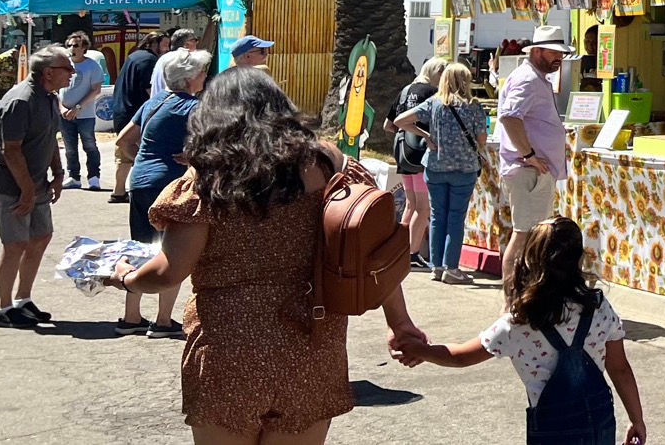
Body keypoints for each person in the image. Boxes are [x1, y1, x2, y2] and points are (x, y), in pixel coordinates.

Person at [108, 68, 427, 442]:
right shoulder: (329, 166)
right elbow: (367, 250)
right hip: (312, 343)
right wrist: (398, 321)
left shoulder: (211, 178)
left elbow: (168, 272)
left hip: (227, 345)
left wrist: (126, 278)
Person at [394, 217, 646, 445]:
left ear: (530, 260)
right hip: (599, 423)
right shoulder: (598, 307)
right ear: (578, 260)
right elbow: (620, 368)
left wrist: (418, 349)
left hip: (552, 431)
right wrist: (637, 420)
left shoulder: (519, 322)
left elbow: (460, 356)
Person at [113, 48, 209, 338]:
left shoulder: (154, 102)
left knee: (140, 248)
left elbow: (121, 139)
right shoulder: (194, 107)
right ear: (191, 78)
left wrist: (141, 156)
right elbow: (210, 146)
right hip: (168, 184)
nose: (205, 77)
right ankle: (163, 321)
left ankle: (131, 317)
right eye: (203, 72)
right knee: (173, 251)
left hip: (140, 180)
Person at [0, 46, 71, 327]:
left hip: (38, 182)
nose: (72, 74)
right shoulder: (21, 100)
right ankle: (2, 307)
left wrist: (58, 172)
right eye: (68, 69)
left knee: (41, 236)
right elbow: (11, 150)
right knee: (15, 244)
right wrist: (27, 189)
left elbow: (50, 137)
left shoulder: (50, 97)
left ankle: (23, 299)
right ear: (49, 72)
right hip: (11, 184)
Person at [395, 61, 485, 283]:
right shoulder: (473, 106)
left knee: (437, 216)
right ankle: (452, 268)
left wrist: (425, 135)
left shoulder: (433, 103)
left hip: (435, 166)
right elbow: (481, 140)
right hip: (463, 169)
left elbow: (400, 121)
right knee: (455, 218)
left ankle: (436, 266)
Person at [499, 26, 574, 284]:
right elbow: (509, 116)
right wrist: (529, 154)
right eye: (555, 52)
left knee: (530, 235)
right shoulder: (529, 79)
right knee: (524, 235)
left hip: (532, 170)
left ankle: (523, 293)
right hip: (529, 170)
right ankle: (511, 298)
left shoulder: (532, 77)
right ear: (538, 50)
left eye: (561, 54)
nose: (559, 58)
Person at [391, 58, 443, 270]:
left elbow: (389, 124)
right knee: (423, 208)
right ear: (436, 72)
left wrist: (406, 134)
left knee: (411, 204)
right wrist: (425, 135)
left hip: (403, 154)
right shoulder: (431, 93)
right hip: (421, 155)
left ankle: (400, 251)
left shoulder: (404, 91)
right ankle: (411, 254)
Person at [109, 31, 164, 203]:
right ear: (153, 44)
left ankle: (118, 191)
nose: (166, 49)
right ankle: (140, 189)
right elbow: (150, 91)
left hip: (122, 110)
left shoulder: (134, 56)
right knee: (140, 152)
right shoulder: (149, 61)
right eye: (164, 44)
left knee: (122, 155)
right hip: (136, 113)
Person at [58, 30, 106, 191]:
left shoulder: (92, 65)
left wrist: (78, 107)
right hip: (65, 114)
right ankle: (73, 176)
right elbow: (55, 90)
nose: (72, 48)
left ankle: (93, 177)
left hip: (85, 114)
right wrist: (63, 108)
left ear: (84, 47)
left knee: (89, 145)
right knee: (70, 147)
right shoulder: (63, 64)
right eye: (70, 45)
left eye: (76, 45)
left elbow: (96, 89)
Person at [151, 29, 197, 99]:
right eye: (195, 40)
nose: (197, 43)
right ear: (186, 44)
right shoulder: (183, 60)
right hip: (171, 106)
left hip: (157, 104)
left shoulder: (163, 58)